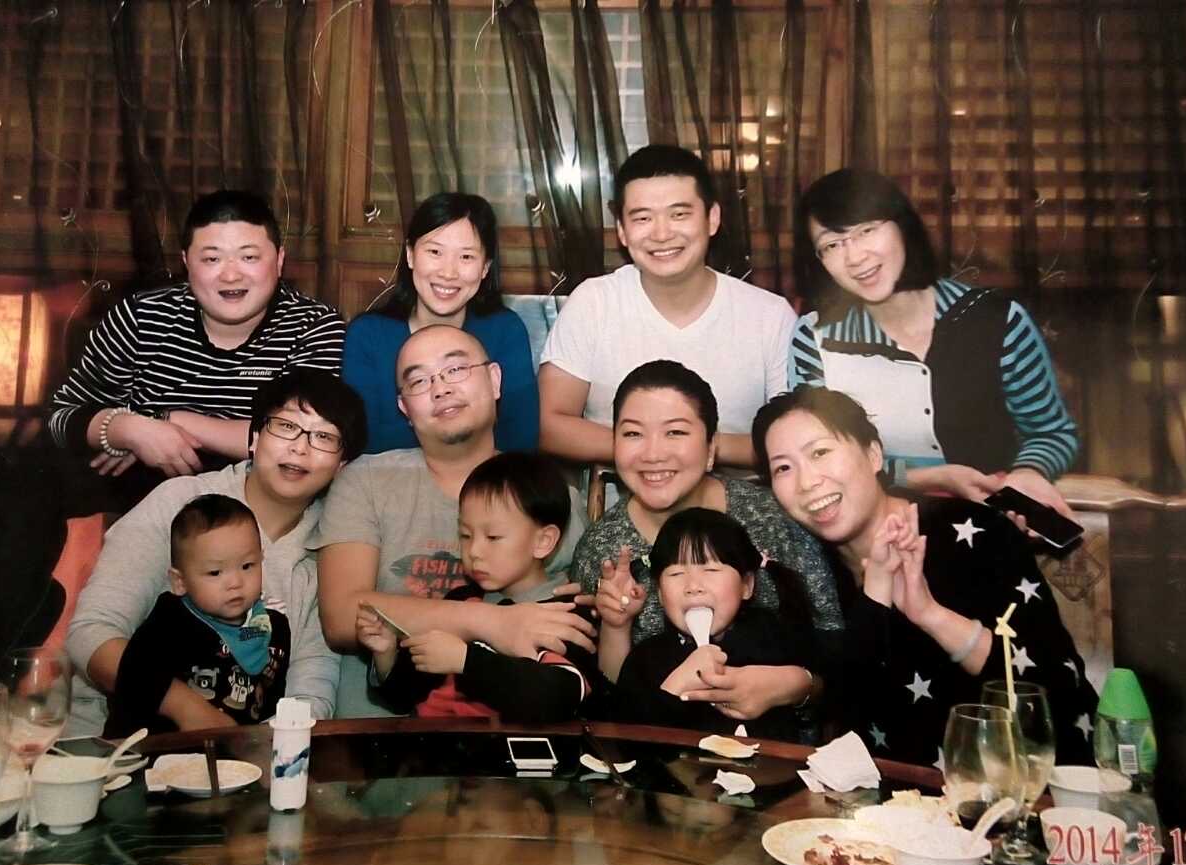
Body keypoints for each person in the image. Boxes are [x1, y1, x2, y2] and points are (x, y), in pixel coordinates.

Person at [752, 385, 1098, 766]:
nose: (807, 482)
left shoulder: (972, 531)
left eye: (820, 452)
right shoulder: (808, 572)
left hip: (1030, 781)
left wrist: (930, 614)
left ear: (873, 455)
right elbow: (844, 713)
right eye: (783, 468)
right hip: (895, 794)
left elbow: (1054, 691)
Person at [63, 370, 364, 736]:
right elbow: (91, 633)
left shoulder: (335, 547)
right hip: (115, 737)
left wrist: (261, 746)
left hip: (249, 751)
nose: (300, 448)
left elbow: (313, 686)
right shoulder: (180, 503)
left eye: (324, 437)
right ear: (254, 438)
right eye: (286, 427)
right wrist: (187, 709)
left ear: (342, 466)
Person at [317, 325, 595, 717]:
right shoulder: (366, 481)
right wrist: (491, 622)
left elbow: (577, 630)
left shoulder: (550, 494)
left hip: (518, 729)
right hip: (384, 728)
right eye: (419, 381)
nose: (441, 389)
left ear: (495, 380)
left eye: (456, 370)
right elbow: (343, 616)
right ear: (404, 408)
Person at [785, 168, 1079, 517]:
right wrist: (927, 478)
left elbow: (1051, 432)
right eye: (832, 245)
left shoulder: (997, 321)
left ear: (902, 225)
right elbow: (815, 456)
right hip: (865, 528)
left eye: (866, 231)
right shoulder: (815, 337)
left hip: (989, 524)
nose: (855, 257)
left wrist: (1029, 472)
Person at [572, 360, 842, 720]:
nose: (653, 454)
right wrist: (614, 624)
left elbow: (839, 662)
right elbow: (606, 702)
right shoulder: (601, 549)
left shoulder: (771, 519)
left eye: (675, 432)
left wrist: (795, 687)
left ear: (711, 448)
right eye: (633, 434)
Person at [48, 189, 345, 504]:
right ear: (186, 262)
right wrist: (126, 430)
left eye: (249, 257)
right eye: (212, 259)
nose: (231, 275)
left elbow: (304, 437)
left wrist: (167, 420)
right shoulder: (141, 316)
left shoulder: (313, 326)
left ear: (280, 260)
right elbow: (61, 416)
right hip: (142, 496)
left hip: (257, 500)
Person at [539, 145, 794, 468]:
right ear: (622, 230)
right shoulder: (594, 303)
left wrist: (696, 449)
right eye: (643, 218)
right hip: (619, 495)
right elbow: (551, 426)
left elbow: (794, 439)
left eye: (679, 215)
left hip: (740, 498)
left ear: (712, 218)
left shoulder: (770, 316)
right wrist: (659, 451)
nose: (661, 234)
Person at [368, 452, 598, 722]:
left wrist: (466, 661)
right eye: (466, 535)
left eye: (493, 537)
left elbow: (556, 698)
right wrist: (386, 654)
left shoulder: (567, 615)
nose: (474, 550)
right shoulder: (459, 603)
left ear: (543, 541)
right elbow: (404, 697)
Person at [342, 192, 537, 454]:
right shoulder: (368, 335)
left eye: (466, 257)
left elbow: (521, 439)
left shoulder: (505, 331)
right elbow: (361, 439)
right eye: (435, 252)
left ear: (485, 268)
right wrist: (467, 429)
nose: (448, 273)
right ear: (410, 255)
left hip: (489, 477)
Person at [608, 508, 819, 740]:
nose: (693, 586)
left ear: (746, 585)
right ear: (659, 593)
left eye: (711, 570)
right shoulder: (646, 659)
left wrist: (794, 684)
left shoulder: (774, 637)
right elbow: (622, 738)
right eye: (676, 573)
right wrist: (673, 689)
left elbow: (828, 696)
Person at [104, 495, 290, 736]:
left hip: (235, 753)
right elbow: (133, 677)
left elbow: (272, 701)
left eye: (247, 566)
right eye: (215, 572)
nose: (235, 582)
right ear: (180, 582)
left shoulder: (272, 626)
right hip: (156, 749)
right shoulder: (170, 621)